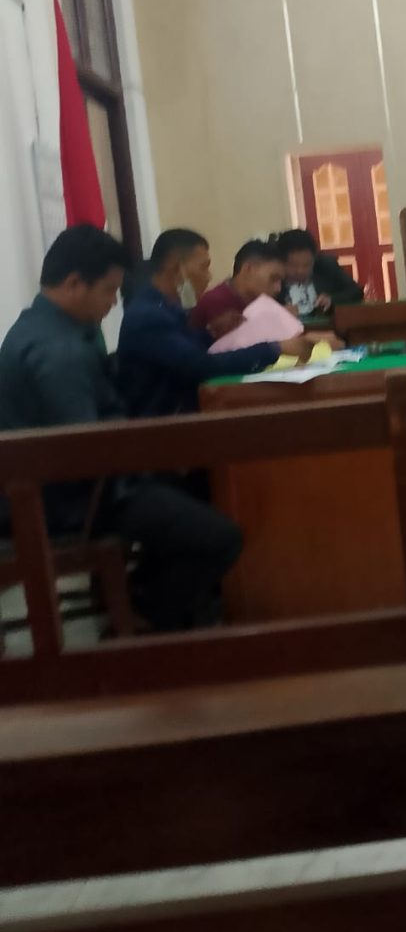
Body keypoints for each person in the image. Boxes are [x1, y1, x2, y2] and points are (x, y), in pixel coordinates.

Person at [0, 225, 243, 631]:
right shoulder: (59, 353)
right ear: (74, 284)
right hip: (70, 502)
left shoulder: (37, 327)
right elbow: (90, 449)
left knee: (192, 484)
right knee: (220, 535)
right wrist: (153, 461)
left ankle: (146, 599)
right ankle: (143, 617)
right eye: (108, 291)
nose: (114, 302)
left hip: (58, 486)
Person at [118, 228, 314, 418]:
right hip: (163, 422)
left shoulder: (165, 305)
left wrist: (211, 333)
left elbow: (184, 348)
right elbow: (201, 364)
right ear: (178, 269)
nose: (209, 276)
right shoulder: (148, 315)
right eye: (204, 267)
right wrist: (275, 348)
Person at [189, 238, 286, 334]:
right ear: (248, 269)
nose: (278, 288)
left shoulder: (259, 301)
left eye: (280, 281)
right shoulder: (216, 302)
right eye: (273, 278)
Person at [274, 228, 364, 315]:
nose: (300, 271)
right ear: (280, 262)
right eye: (293, 265)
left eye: (307, 265)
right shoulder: (273, 278)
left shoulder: (325, 266)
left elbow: (356, 291)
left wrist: (331, 299)